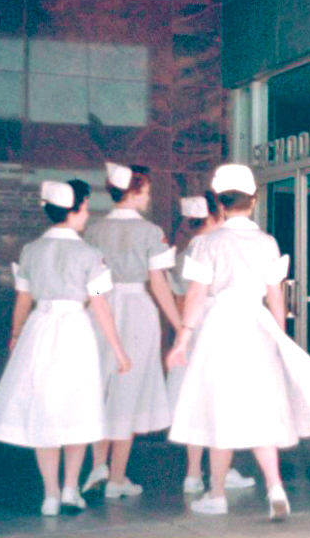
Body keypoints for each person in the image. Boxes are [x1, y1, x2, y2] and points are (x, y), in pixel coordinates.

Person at [166, 163, 310, 520]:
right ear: (254, 200)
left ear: (218, 201)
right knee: (262, 410)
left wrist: (183, 338)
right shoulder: (267, 242)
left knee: (218, 409)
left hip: (219, 328)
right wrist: (279, 337)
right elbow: (276, 298)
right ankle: (275, 487)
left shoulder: (207, 244)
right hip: (256, 325)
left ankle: (216, 494)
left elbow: (196, 295)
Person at [0, 180, 131, 516]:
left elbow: (23, 299)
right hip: (75, 331)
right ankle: (69, 490)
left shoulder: (31, 250)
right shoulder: (89, 254)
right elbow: (101, 307)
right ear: (74, 211)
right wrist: (119, 349)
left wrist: (16, 334)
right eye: (86, 209)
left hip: (39, 330)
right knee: (78, 410)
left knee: (44, 411)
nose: (87, 214)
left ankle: (50, 495)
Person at [81, 162, 182, 498]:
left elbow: (89, 283)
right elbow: (160, 284)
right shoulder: (151, 232)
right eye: (147, 191)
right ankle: (117, 478)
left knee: (101, 386)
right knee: (129, 389)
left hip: (102, 308)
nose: (149, 197)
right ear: (136, 191)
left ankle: (98, 463)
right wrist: (181, 326)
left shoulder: (94, 230)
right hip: (137, 309)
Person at [166, 193, 255, 493]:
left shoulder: (181, 255)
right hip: (218, 327)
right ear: (215, 218)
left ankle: (192, 474)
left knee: (194, 402)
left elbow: (181, 300)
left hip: (190, 330)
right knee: (220, 402)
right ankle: (222, 471)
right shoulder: (216, 247)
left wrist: (183, 333)